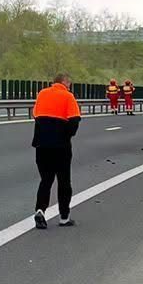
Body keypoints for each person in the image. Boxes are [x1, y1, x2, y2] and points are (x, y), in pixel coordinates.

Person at [31, 73, 82, 228]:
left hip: (41, 145)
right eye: (69, 84)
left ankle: (40, 210)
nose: (69, 87)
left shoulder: (42, 94)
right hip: (60, 146)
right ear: (64, 82)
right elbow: (74, 120)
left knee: (46, 180)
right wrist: (66, 135)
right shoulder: (68, 97)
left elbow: (36, 115)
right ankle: (64, 217)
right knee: (64, 181)